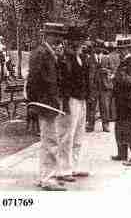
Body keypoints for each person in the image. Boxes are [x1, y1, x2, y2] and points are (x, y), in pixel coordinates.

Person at [26, 22, 68, 191]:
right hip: (45, 102)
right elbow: (33, 80)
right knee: (50, 141)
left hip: (49, 101)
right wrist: (33, 102)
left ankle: (45, 175)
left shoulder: (49, 53)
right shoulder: (41, 53)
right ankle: (48, 179)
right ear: (48, 35)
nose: (59, 40)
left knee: (47, 141)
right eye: (56, 36)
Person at [55, 25, 91, 183]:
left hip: (81, 99)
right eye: (80, 40)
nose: (83, 43)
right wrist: (64, 103)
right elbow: (62, 83)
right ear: (72, 42)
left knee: (78, 135)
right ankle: (63, 169)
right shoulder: (65, 58)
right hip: (70, 99)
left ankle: (73, 166)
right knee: (66, 135)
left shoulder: (80, 57)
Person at [111, 39, 131, 166]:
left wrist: (116, 77)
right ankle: (122, 153)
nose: (119, 52)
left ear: (126, 50)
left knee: (130, 128)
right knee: (119, 127)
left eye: (121, 50)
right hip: (122, 100)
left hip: (128, 101)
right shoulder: (124, 62)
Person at [87, 42, 112, 133]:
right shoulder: (90, 58)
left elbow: (111, 70)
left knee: (104, 106)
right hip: (94, 86)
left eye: (100, 47)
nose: (98, 49)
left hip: (104, 86)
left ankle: (105, 125)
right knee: (92, 106)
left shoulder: (106, 58)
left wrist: (106, 71)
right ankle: (90, 124)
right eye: (96, 47)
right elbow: (87, 72)